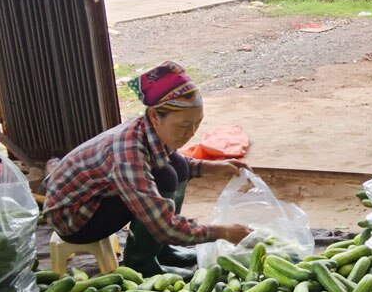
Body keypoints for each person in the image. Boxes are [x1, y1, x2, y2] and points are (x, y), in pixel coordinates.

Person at [43, 61, 251, 277]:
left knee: (176, 165)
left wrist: (214, 167)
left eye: (196, 124)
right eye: (183, 125)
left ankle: (162, 251)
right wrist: (223, 232)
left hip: (96, 199)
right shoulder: (128, 151)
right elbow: (164, 226)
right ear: (154, 116)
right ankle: (140, 263)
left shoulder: (148, 129)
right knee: (165, 178)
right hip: (75, 221)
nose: (190, 133)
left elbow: (180, 163)